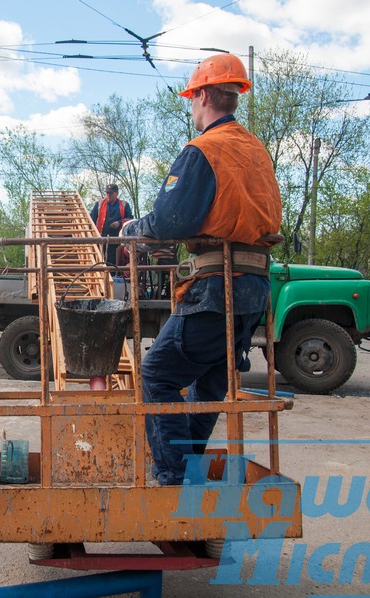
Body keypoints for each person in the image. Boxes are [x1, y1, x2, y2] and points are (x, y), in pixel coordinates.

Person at [120, 53, 282, 486]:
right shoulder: (256, 152)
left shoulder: (204, 150)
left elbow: (172, 221)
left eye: (192, 97)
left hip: (215, 289)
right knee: (209, 384)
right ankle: (186, 470)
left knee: (156, 373)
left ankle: (174, 477)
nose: (191, 105)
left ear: (206, 94)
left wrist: (134, 228)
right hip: (252, 292)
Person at [90, 183, 133, 266]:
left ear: (116, 193)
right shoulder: (99, 204)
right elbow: (92, 219)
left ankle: (112, 276)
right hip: (101, 237)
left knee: (113, 261)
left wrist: (119, 222)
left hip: (117, 239)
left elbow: (130, 219)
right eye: (107, 193)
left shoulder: (124, 205)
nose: (108, 195)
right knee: (100, 260)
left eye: (111, 193)